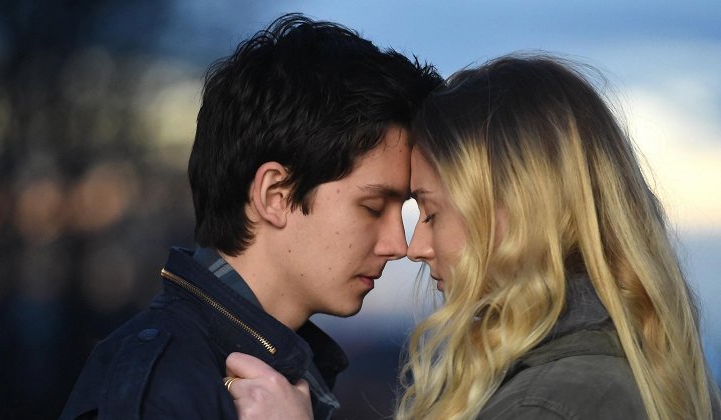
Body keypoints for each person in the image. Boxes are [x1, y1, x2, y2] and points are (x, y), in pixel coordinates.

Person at [226, 55, 721, 419]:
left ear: (512, 215)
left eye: (431, 213)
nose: (413, 248)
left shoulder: (546, 405)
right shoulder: (611, 374)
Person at [59, 13, 440, 420]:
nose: (398, 245)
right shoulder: (158, 391)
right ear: (275, 195)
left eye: (403, 209)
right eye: (373, 207)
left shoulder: (253, 372)